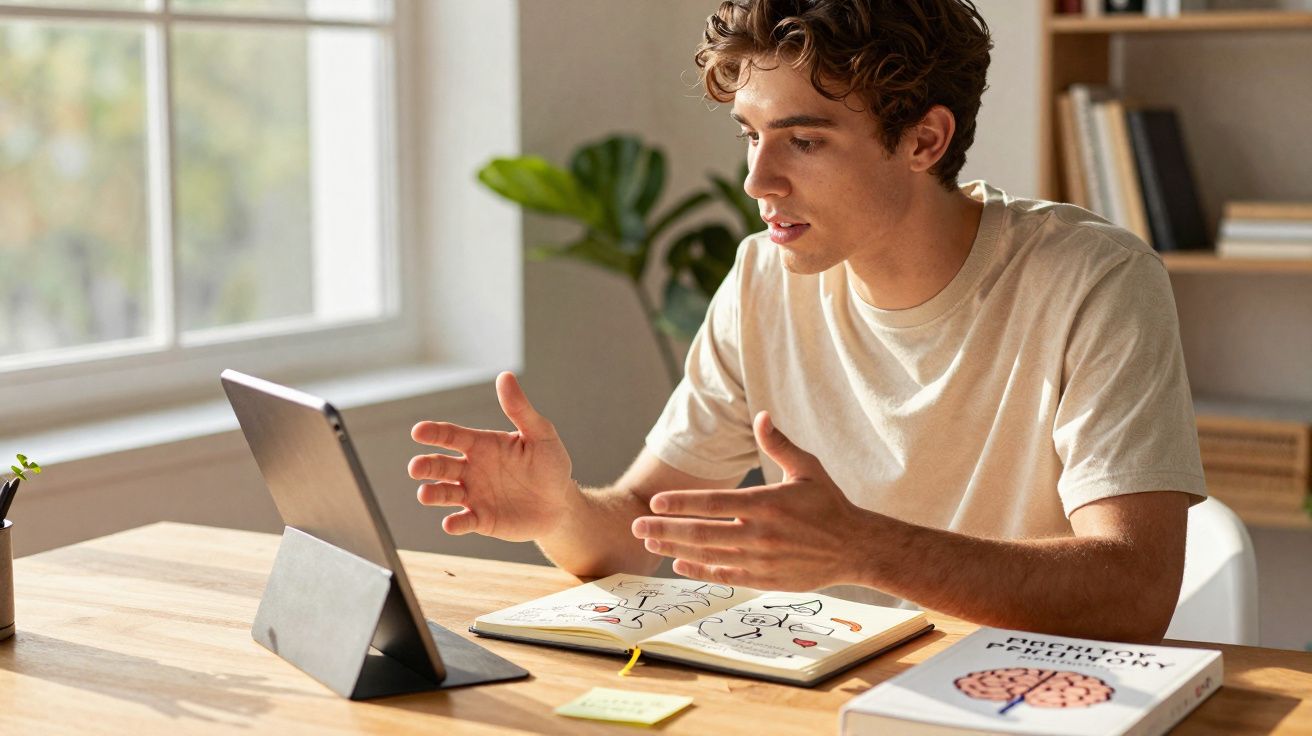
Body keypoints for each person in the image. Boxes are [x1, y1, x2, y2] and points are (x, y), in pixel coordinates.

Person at [408, 0, 1207, 644]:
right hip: (831, 694)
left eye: (805, 140)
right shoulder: (762, 279)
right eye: (752, 137)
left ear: (926, 139)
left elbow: (1133, 592)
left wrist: (866, 547)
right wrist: (562, 511)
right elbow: (640, 529)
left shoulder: (1093, 280)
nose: (758, 179)